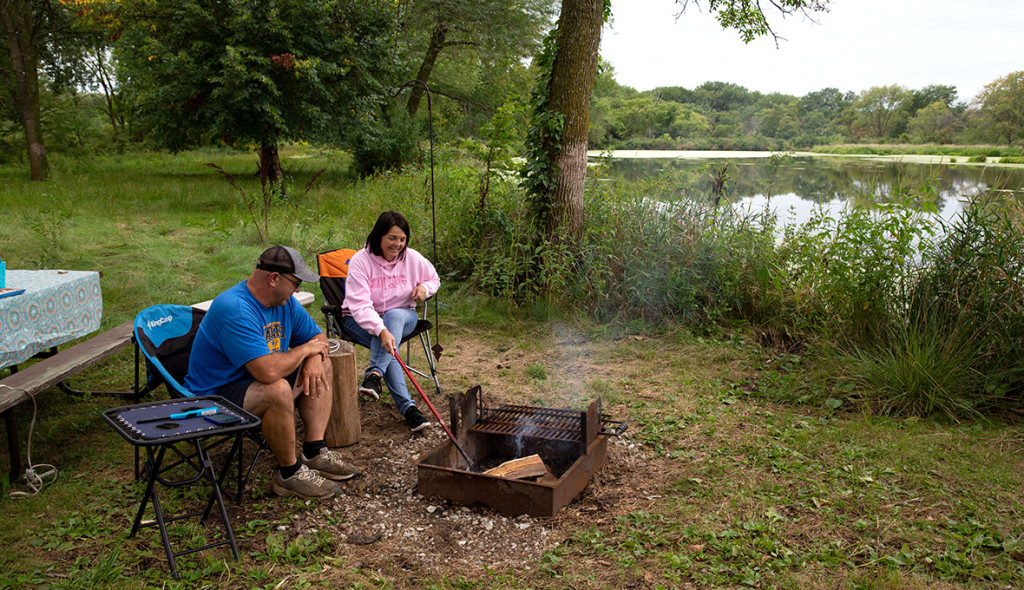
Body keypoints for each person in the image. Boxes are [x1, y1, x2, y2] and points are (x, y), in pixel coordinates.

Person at [185, 245, 359, 500]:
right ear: (274, 279)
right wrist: (305, 351)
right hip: (215, 396)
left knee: (323, 364)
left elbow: (317, 337)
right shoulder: (235, 308)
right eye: (295, 282)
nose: (298, 289)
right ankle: (289, 475)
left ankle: (314, 451)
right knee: (276, 390)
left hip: (252, 381)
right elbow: (267, 372)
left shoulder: (284, 302)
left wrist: (312, 356)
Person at [341, 211, 440, 432]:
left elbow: (434, 278)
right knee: (388, 344)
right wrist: (381, 330)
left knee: (393, 317)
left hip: (403, 316)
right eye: (392, 238)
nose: (398, 245)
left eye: (402, 239)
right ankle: (409, 410)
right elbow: (358, 306)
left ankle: (374, 374)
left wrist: (425, 288)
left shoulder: (412, 258)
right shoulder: (360, 261)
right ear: (378, 237)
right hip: (359, 320)